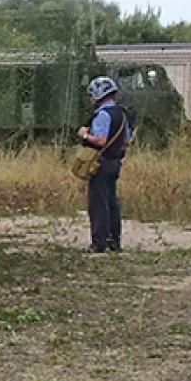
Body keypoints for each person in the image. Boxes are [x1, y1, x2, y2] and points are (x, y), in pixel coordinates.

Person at [77, 75, 131, 253]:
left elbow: (100, 140)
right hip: (115, 162)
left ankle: (99, 243)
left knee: (98, 203)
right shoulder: (121, 114)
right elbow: (127, 141)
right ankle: (114, 240)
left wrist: (85, 135)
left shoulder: (102, 115)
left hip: (101, 163)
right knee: (112, 202)